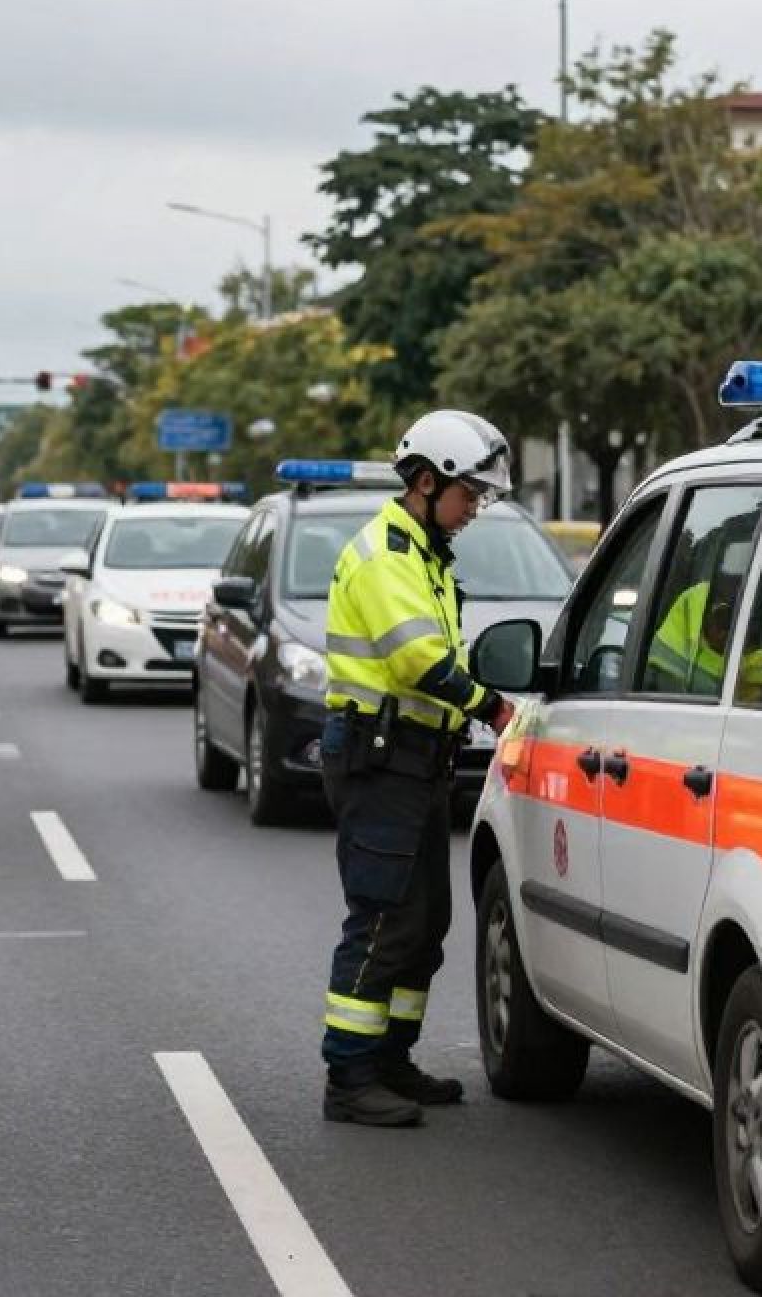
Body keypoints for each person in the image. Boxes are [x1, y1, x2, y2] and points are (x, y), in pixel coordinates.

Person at [319, 410, 517, 1127]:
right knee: (382, 921)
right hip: (380, 761)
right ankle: (349, 1075)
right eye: (470, 495)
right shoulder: (387, 555)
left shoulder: (427, 552)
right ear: (427, 481)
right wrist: (492, 708)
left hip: (417, 761)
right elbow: (416, 659)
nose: (474, 510)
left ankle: (391, 1060)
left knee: (424, 922)